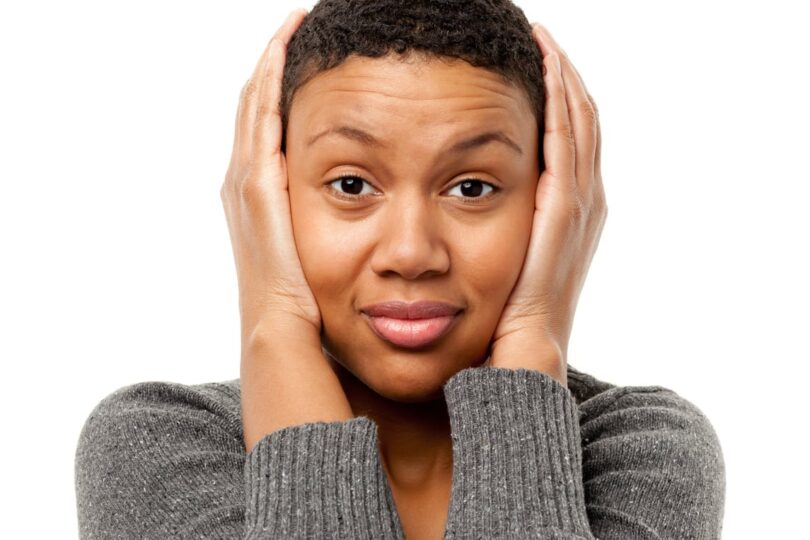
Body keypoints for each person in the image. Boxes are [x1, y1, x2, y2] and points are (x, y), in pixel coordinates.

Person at [74, 1, 726, 538]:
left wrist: (535, 333)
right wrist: (273, 325)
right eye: (351, 184)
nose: (412, 253)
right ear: (267, 195)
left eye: (472, 188)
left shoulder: (644, 450)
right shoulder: (157, 445)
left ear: (556, 201)